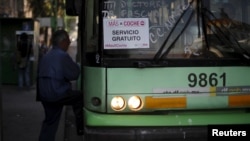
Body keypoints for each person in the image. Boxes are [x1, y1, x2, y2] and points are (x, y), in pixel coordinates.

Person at [37, 29, 83, 141]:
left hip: (43, 94)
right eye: (68, 40)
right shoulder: (62, 56)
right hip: (57, 93)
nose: (69, 43)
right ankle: (80, 128)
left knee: (50, 120)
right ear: (62, 41)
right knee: (80, 97)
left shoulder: (47, 55)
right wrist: (77, 66)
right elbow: (74, 74)